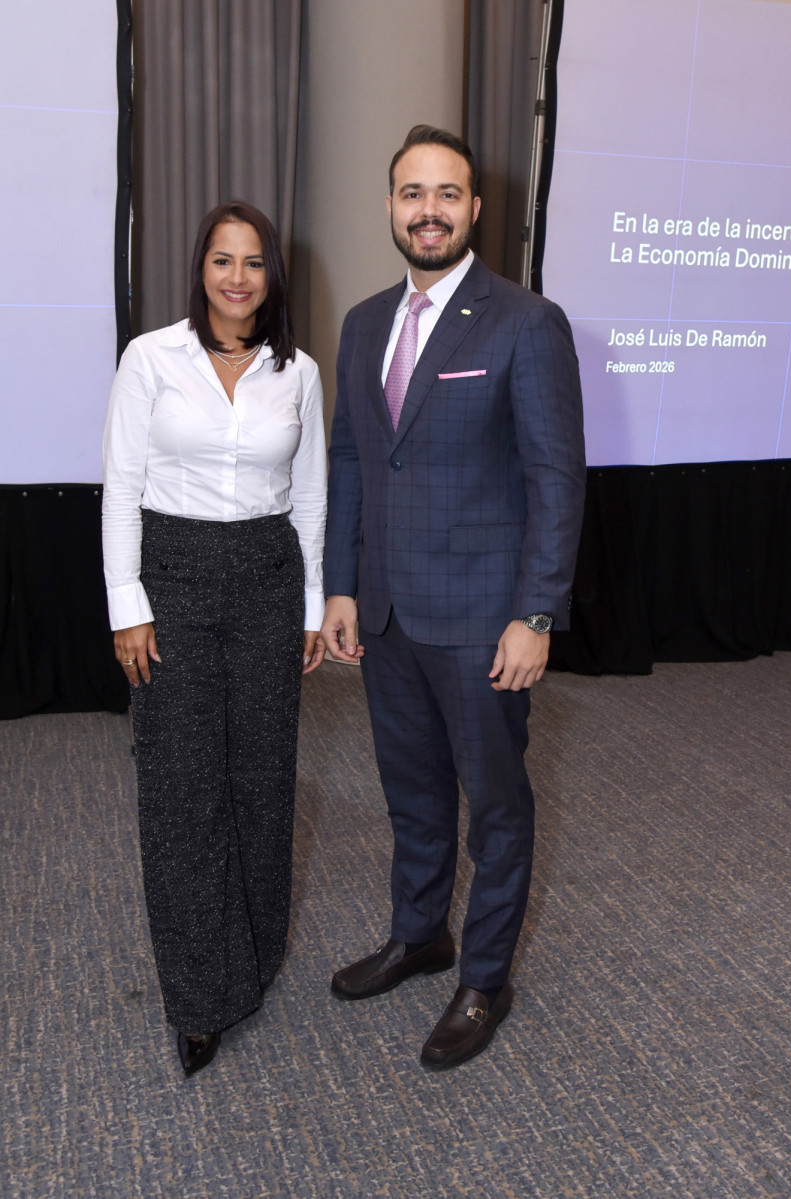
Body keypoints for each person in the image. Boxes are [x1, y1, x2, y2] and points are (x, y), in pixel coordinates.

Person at [320, 126, 585, 1069]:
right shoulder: (360, 324)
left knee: (497, 806)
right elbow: (354, 457)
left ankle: (484, 977)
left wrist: (538, 611)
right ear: (390, 205)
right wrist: (341, 587)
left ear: (476, 209)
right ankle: (420, 932)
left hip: (484, 621)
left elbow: (556, 476)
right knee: (415, 792)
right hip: (386, 617)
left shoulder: (525, 321)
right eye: (409, 193)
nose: (427, 209)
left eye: (447, 193)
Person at [102, 200, 327, 1075]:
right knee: (182, 788)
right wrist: (128, 601)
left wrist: (309, 609)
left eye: (255, 262)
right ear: (201, 267)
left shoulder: (298, 371)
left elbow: (309, 495)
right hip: (174, 577)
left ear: (273, 275)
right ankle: (199, 996)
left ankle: (254, 958)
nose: (237, 277)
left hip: (270, 582)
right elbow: (120, 484)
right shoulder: (150, 357)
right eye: (222, 260)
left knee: (262, 778)